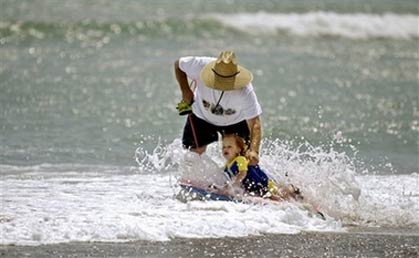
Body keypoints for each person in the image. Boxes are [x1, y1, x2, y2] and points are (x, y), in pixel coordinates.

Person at [174, 51, 262, 165]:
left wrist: (254, 151)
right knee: (193, 156)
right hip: (202, 116)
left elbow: (255, 123)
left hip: (234, 122)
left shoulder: (245, 90)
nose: (222, 86)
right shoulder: (200, 66)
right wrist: (185, 90)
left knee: (242, 160)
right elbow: (178, 65)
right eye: (220, 81)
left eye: (227, 82)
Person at [222, 133, 302, 201]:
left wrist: (234, 184)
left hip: (264, 184)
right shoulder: (227, 165)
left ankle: (294, 193)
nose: (226, 149)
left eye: (229, 147)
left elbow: (243, 173)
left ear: (238, 150)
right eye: (224, 147)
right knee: (275, 194)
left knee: (280, 195)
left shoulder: (240, 159)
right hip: (255, 187)